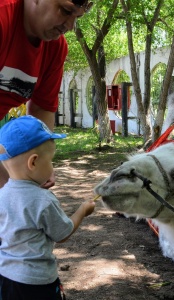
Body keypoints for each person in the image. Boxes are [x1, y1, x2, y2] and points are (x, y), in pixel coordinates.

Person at [0, 116, 96, 300]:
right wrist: (83, 210)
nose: (52, 167)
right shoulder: (43, 200)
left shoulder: (2, 195)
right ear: (33, 162)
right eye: (51, 161)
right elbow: (63, 233)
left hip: (6, 276)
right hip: (38, 282)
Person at [0, 0, 93, 188]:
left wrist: (41, 162)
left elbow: (42, 109)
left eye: (77, 17)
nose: (70, 26)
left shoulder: (55, 48)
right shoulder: (3, 19)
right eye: (66, 11)